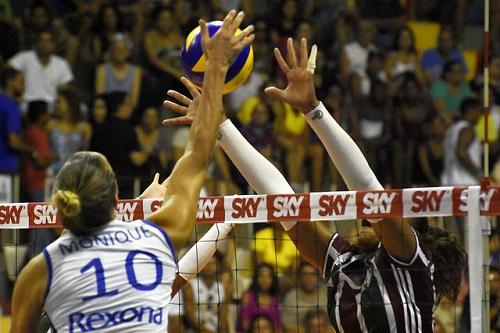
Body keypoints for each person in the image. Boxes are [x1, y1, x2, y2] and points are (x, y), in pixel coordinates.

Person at [163, 37, 467, 332]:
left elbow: (369, 192)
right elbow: (282, 203)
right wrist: (221, 125)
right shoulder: (345, 263)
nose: (366, 215)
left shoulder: (412, 264)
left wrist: (314, 110)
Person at [9, 10, 255, 332]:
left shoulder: (40, 270)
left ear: (61, 207)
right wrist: (216, 70)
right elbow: (197, 153)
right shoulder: (155, 238)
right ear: (116, 198)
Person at [8, 30, 73, 107]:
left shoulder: (61, 64)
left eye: (48, 41)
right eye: (41, 40)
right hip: (26, 105)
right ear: (36, 43)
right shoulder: (24, 57)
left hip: (51, 107)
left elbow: (65, 91)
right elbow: (7, 74)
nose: (44, 44)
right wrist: (14, 96)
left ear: (53, 45)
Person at [0, 67, 31, 174]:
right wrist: (32, 152)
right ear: (10, 82)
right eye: (21, 82)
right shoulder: (12, 107)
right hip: (5, 166)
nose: (24, 87)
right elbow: (13, 142)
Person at [282, 261, 328, 332]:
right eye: (305, 274)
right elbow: (288, 326)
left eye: (312, 274)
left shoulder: (325, 295)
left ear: (318, 277)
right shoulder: (291, 298)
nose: (309, 278)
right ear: (299, 278)